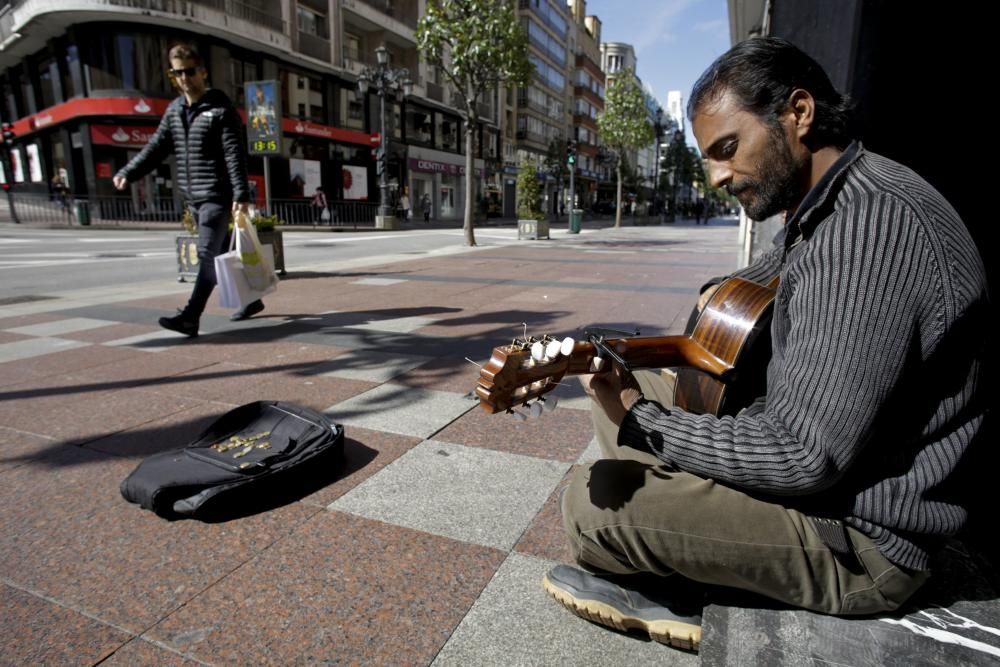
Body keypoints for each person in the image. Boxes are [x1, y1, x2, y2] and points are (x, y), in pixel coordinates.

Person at [543, 37, 988, 653]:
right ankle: (703, 539)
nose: (717, 176)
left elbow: (805, 456)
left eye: (727, 149)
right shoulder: (825, 207)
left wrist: (646, 425)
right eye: (706, 159)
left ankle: (706, 588)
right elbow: (735, 297)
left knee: (590, 506)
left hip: (861, 536)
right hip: (821, 469)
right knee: (621, 390)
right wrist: (608, 354)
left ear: (797, 113)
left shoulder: (866, 232)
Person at [113, 43, 263, 336]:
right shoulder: (175, 110)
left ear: (203, 72)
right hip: (193, 197)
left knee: (207, 255)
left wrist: (240, 194)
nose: (184, 78)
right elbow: (156, 148)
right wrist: (129, 172)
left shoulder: (220, 109)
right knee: (221, 254)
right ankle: (251, 301)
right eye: (177, 73)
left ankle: (191, 317)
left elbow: (234, 153)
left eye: (189, 71)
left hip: (216, 196)